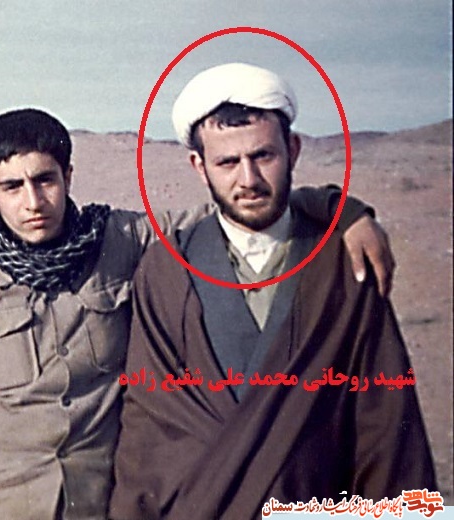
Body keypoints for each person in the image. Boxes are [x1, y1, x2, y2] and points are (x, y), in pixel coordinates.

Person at [0, 107, 394, 520]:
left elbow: (232, 208)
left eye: (45, 180)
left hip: (95, 500)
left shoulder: (120, 239)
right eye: (12, 187)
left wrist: (339, 209)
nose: (33, 201)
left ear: (68, 176)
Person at [109, 63, 436, 520]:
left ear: (293, 150)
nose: (248, 179)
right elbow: (146, 431)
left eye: (263, 156)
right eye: (227, 162)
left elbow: (385, 425)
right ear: (199, 167)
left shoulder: (344, 263)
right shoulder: (166, 271)